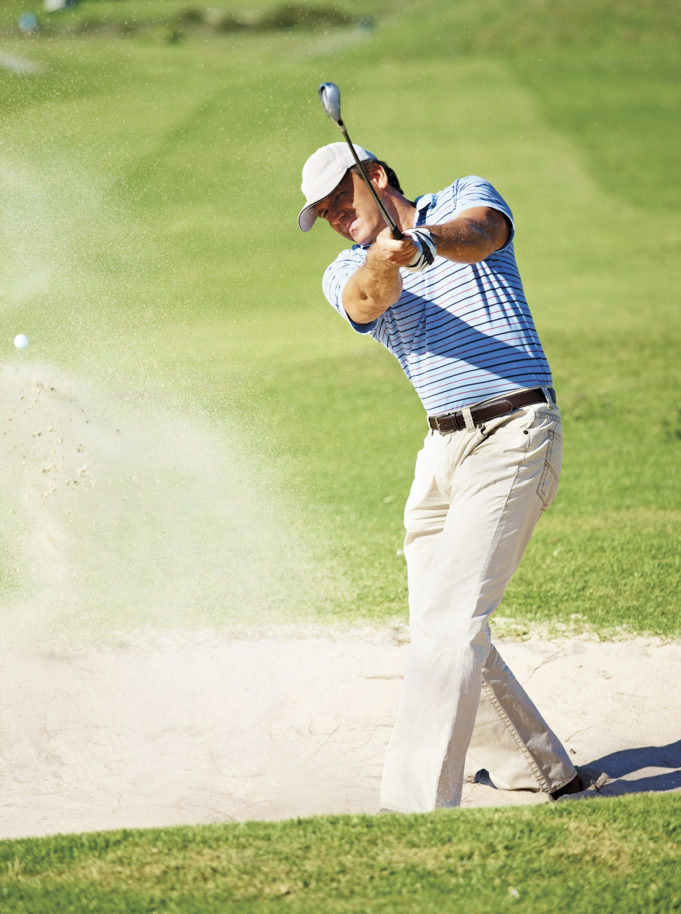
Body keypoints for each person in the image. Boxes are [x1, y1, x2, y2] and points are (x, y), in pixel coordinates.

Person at [297, 141, 583, 813]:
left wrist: (421, 243)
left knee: (448, 623)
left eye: (342, 198)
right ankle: (543, 774)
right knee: (439, 622)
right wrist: (383, 258)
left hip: (514, 433)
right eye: (325, 212)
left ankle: (413, 809)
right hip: (439, 458)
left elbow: (481, 234)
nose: (337, 216)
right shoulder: (347, 264)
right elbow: (367, 299)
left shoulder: (460, 198)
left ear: (375, 176)